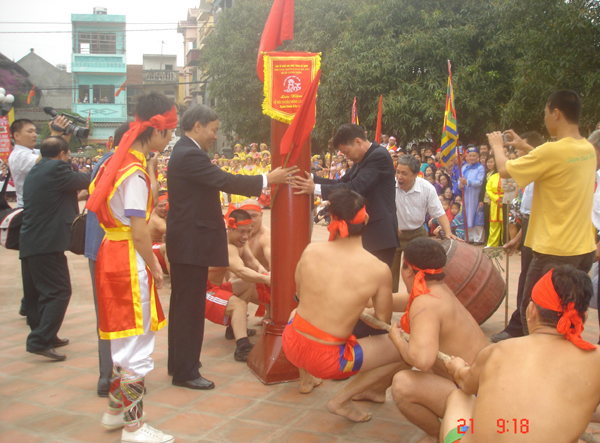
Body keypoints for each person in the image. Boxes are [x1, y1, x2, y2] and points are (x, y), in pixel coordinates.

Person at [166, 104, 297, 390]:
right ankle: (185, 371)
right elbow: (225, 180)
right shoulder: (189, 154)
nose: (215, 136)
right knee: (189, 309)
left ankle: (179, 362)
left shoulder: (184, 152)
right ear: (197, 126)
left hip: (187, 243)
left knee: (182, 306)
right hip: (191, 245)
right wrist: (267, 179)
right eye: (213, 130)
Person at [87, 92, 176, 443]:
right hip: (127, 258)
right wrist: (155, 265)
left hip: (111, 252)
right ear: (156, 130)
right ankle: (134, 427)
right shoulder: (133, 173)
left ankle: (114, 412)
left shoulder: (115, 163)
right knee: (137, 342)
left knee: (122, 337)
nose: (169, 139)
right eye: (170, 132)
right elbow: (140, 232)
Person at [282, 188, 408, 421]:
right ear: (366, 219)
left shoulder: (311, 250)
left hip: (291, 343)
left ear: (331, 218)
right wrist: (358, 305)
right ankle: (342, 400)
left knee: (295, 311)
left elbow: (300, 294)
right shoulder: (378, 269)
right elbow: (382, 321)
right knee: (406, 350)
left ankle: (306, 378)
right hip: (330, 361)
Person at [441, 265, 600, 443]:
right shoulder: (596, 359)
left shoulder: (498, 350)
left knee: (458, 397)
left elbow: (465, 384)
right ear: (583, 318)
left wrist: (456, 368)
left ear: (531, 311)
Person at [488, 90, 596, 335]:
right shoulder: (587, 149)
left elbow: (504, 170)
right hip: (582, 250)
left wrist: (497, 145)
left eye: (546, 113)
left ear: (555, 113)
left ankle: (539, 357)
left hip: (554, 251)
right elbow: (556, 161)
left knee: (534, 315)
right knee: (567, 314)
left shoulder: (551, 151)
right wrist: (524, 146)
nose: (545, 118)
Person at [388, 238, 488, 443]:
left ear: (408, 270)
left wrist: (397, 339)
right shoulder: (440, 290)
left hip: (476, 398)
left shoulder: (426, 303)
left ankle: (436, 435)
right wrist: (375, 302)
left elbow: (421, 361)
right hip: (482, 385)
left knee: (402, 384)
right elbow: (410, 301)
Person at [20, 136, 90, 361]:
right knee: (59, 291)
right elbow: (88, 179)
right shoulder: (56, 168)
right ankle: (40, 340)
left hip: (32, 241)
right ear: (62, 154)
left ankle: (46, 335)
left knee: (38, 293)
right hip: (46, 243)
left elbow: (53, 198)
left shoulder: (37, 169)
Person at [291, 124, 399, 269]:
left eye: (347, 152)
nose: (347, 157)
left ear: (358, 141)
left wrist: (314, 188)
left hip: (379, 234)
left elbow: (356, 187)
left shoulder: (379, 156)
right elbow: (342, 182)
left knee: (376, 279)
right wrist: (311, 177)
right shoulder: (363, 158)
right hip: (364, 231)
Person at [84, 121, 130, 397]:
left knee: (106, 312)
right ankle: (115, 377)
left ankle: (108, 376)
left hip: (99, 247)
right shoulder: (121, 166)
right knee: (121, 313)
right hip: (112, 249)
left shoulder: (104, 162)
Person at [489, 132, 545, 343]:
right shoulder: (530, 173)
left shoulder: (542, 167)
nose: (518, 154)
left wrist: (497, 146)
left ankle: (526, 328)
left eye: (521, 149)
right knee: (525, 277)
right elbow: (531, 211)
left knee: (533, 280)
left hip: (543, 231)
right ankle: (519, 325)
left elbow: (504, 170)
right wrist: (519, 237)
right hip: (530, 226)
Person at [206, 209, 268, 361]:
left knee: (248, 284)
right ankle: (243, 348)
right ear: (230, 228)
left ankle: (233, 329)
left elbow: (251, 261)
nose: (246, 236)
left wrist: (261, 269)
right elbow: (241, 272)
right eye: (241, 231)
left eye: (249, 231)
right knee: (239, 305)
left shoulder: (239, 241)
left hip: (216, 287)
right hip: (201, 292)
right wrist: (267, 279)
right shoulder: (226, 246)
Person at [391, 155, 458, 292]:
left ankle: (418, 299)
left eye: (404, 173)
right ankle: (389, 302)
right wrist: (390, 222)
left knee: (419, 274)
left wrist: (448, 233)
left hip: (417, 234)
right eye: (397, 172)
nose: (399, 177)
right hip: (393, 234)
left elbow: (439, 213)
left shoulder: (427, 188)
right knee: (390, 275)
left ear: (416, 174)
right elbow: (380, 207)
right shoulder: (389, 185)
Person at [458, 146, 485, 244]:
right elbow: (460, 180)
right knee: (466, 216)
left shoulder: (480, 168)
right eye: (470, 156)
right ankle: (468, 237)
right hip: (466, 195)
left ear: (478, 157)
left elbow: (479, 182)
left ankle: (478, 238)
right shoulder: (464, 167)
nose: (472, 158)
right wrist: (460, 184)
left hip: (475, 195)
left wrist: (467, 182)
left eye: (474, 156)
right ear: (467, 157)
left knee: (476, 216)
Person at [485, 163, 502, 247]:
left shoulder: (511, 176)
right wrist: (497, 199)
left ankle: (504, 243)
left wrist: (503, 199)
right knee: (494, 224)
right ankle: (492, 244)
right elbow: (488, 189)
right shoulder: (493, 177)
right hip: (495, 203)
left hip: (506, 201)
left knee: (505, 224)